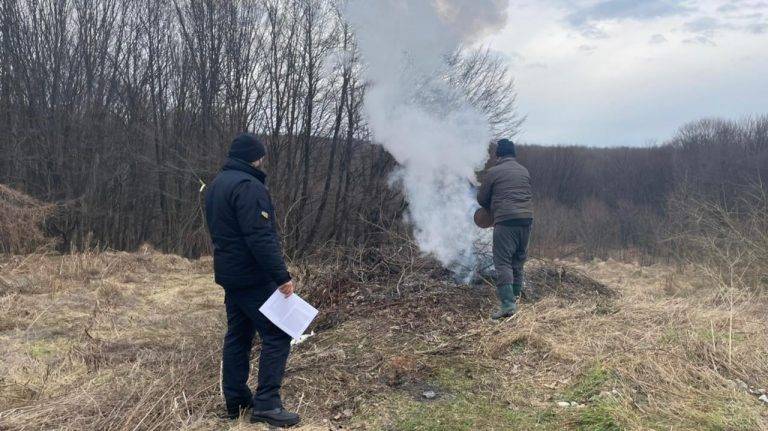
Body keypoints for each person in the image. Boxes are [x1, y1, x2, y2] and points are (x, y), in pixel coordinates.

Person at [204, 133, 300, 427]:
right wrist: (281, 277)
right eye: (261, 156)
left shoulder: (216, 185)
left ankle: (236, 401)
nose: (263, 161)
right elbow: (260, 237)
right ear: (254, 157)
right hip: (251, 275)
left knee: (239, 334)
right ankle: (268, 404)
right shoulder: (249, 186)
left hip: (230, 274)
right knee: (279, 333)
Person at [477, 139, 534, 320]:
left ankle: (508, 305)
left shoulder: (493, 172)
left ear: (498, 155)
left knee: (502, 262)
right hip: (526, 220)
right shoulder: (524, 171)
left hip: (506, 221)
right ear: (514, 154)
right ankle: (516, 298)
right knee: (518, 259)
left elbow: (482, 199)